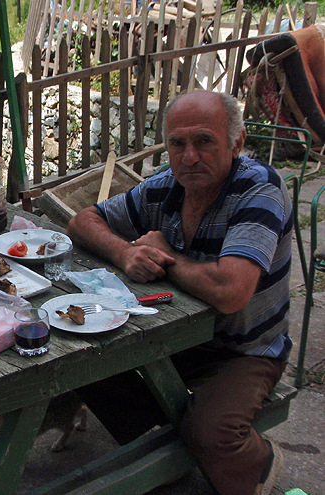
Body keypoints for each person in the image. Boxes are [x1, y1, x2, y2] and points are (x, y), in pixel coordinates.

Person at [67, 91, 292, 495]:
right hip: (173, 336)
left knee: (210, 431)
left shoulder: (259, 191)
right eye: (177, 144)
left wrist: (167, 255)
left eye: (204, 141)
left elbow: (231, 291)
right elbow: (83, 221)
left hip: (242, 349)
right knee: (81, 362)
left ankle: (259, 461)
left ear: (236, 143)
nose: (189, 157)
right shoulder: (165, 186)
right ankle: (166, 463)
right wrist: (126, 252)